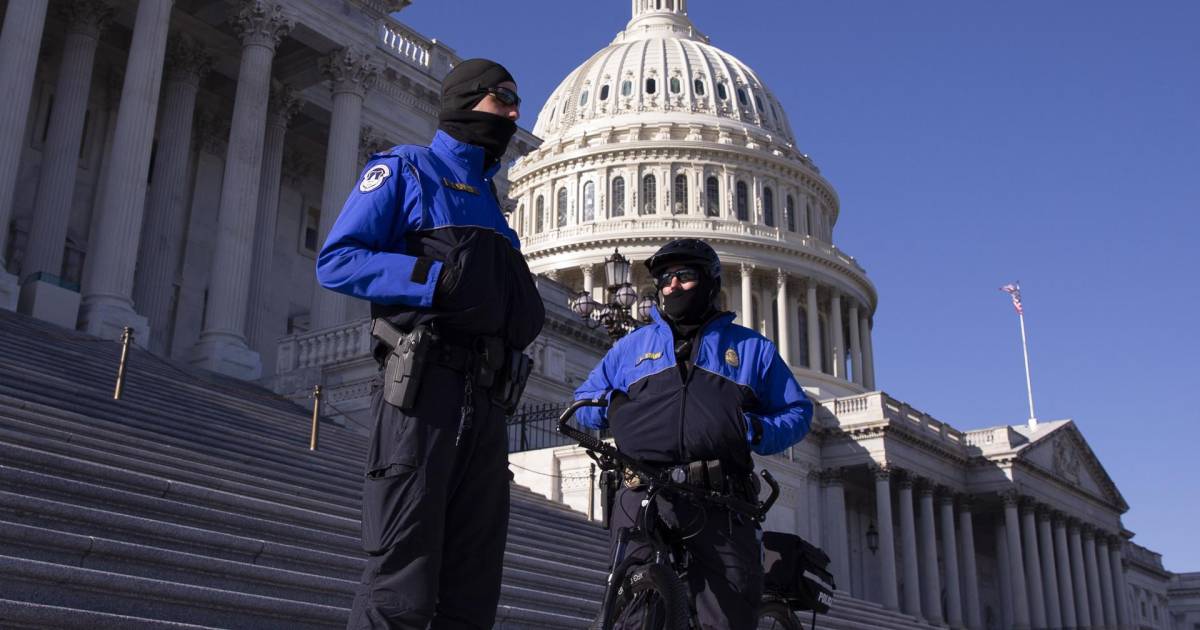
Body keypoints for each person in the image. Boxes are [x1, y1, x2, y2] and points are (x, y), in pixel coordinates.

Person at [316, 58, 544, 629]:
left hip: (488, 404)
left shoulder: (493, 202)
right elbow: (338, 260)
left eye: (516, 100)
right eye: (502, 98)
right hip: (424, 394)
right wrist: (430, 279)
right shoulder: (406, 170)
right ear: (466, 100)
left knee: (473, 585)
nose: (515, 112)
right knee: (403, 578)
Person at [573, 238, 813, 629]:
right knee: (634, 611)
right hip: (644, 489)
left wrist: (752, 429)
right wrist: (613, 410)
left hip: (720, 498)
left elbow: (798, 413)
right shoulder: (631, 347)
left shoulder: (751, 349)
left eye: (684, 276)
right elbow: (584, 400)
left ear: (709, 283)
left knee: (727, 615)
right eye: (665, 279)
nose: (672, 286)